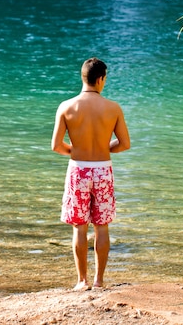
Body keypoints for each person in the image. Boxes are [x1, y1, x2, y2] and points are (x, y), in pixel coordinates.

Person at [51, 57, 130, 291]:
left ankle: (81, 281)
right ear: (101, 78)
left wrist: (76, 151)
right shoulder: (113, 108)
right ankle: (99, 282)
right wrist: (104, 148)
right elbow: (124, 144)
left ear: (83, 77)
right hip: (103, 169)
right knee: (102, 226)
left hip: (78, 169)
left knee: (79, 226)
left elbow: (56, 145)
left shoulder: (66, 107)